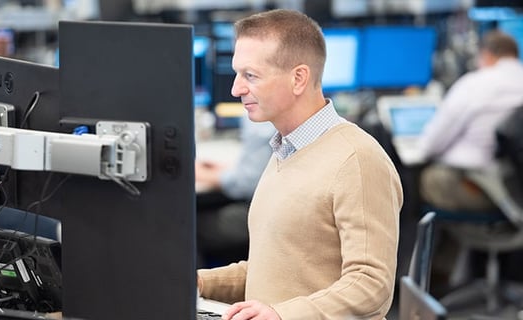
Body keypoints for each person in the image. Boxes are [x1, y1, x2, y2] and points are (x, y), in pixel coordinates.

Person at [197, 9, 403, 320]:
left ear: (298, 78)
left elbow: (371, 286)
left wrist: (280, 314)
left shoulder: (357, 160)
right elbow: (278, 267)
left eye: (250, 75)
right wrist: (199, 282)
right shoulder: (285, 150)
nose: (235, 89)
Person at [418, 30, 523, 213]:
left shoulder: (473, 84)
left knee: (429, 179)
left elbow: (430, 146)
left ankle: (453, 239)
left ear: (486, 55)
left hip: (489, 190)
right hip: (516, 186)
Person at [195, 114, 276, 268]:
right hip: (274, 205)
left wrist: (200, 174)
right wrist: (227, 170)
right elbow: (264, 169)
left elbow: (246, 183)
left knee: (188, 227)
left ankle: (197, 289)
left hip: (264, 213)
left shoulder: (262, 120)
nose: (237, 91)